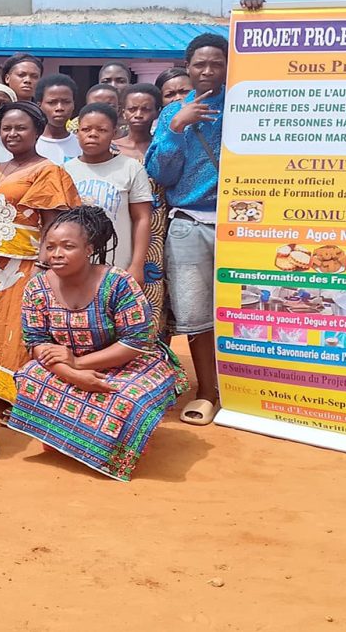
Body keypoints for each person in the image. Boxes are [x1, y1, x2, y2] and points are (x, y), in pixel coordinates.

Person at [7, 206, 183, 481]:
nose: (56, 254)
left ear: (89, 248)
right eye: (50, 246)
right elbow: (36, 342)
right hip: (64, 363)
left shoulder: (118, 283)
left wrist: (79, 363)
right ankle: (64, 436)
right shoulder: (37, 287)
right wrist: (73, 374)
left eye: (68, 246)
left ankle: (116, 448)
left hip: (127, 363)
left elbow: (135, 343)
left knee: (124, 396)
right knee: (30, 376)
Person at [0, 101, 81, 407]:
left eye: (20, 128)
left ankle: (19, 398)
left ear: (37, 131)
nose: (12, 133)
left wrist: (45, 263)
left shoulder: (47, 170)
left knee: (18, 329)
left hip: (25, 264)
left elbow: (53, 221)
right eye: (6, 128)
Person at [146, 32, 227, 425]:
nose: (208, 70)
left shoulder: (247, 104)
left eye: (216, 63)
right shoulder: (169, 114)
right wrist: (176, 127)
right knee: (196, 316)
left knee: (254, 308)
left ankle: (250, 389)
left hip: (244, 224)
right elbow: (159, 173)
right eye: (200, 64)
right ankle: (207, 391)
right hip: (189, 222)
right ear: (187, 67)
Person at [64, 104, 153, 289]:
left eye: (101, 130)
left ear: (114, 133)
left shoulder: (131, 168)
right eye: (86, 129)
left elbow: (142, 218)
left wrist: (137, 265)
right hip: (75, 265)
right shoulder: (65, 171)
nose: (93, 134)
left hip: (118, 265)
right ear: (77, 132)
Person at [114, 83, 170, 339]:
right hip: (120, 232)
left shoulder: (162, 148)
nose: (138, 114)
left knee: (154, 300)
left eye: (146, 109)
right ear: (122, 112)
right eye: (132, 109)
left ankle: (155, 362)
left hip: (157, 235)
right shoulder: (111, 149)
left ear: (157, 111)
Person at [36, 74, 81, 163]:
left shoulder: (82, 145)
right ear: (39, 105)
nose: (59, 108)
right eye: (52, 102)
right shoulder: (30, 145)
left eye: (66, 102)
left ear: (73, 105)